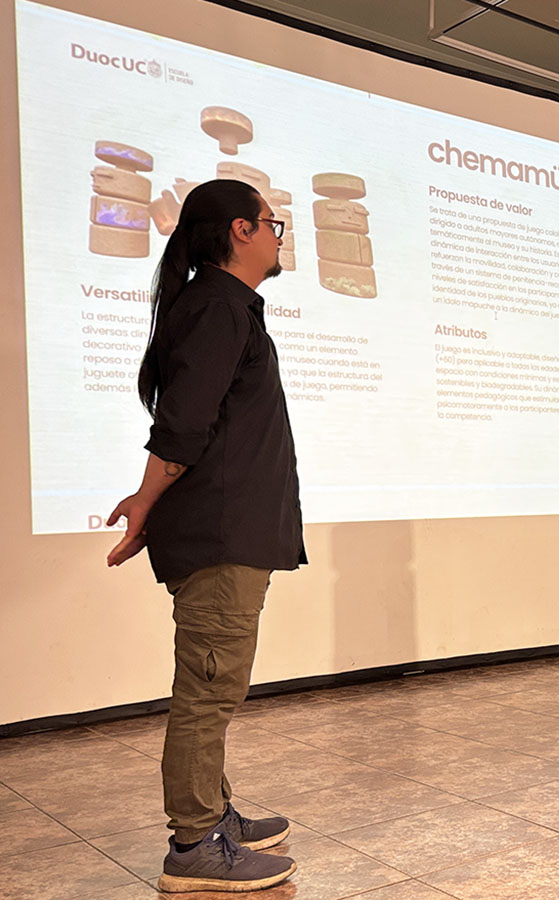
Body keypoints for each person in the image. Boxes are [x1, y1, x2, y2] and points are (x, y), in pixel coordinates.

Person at [106, 179, 305, 893]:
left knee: (211, 684)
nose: (280, 235)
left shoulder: (223, 307)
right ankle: (193, 845)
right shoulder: (216, 307)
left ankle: (213, 815)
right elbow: (183, 428)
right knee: (208, 690)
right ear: (240, 231)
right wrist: (145, 503)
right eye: (273, 223)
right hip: (220, 533)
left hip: (231, 531)